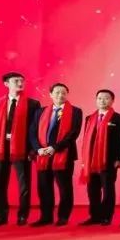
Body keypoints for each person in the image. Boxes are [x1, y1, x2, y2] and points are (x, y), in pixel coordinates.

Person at [0, 72, 41, 226]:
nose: (20, 83)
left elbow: (35, 129)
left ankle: (22, 216)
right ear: (6, 84)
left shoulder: (33, 104)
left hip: (22, 148)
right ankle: (1, 216)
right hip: (0, 147)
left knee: (24, 185)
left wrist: (33, 150)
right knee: (0, 184)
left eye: (22, 80)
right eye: (16, 81)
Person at [30, 83, 83, 226]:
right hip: (43, 155)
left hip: (63, 154)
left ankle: (63, 216)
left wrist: (55, 147)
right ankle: (46, 217)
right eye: (57, 92)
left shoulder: (76, 111)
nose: (60, 95)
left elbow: (73, 133)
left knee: (64, 187)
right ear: (51, 94)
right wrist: (38, 149)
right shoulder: (40, 111)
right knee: (44, 187)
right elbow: (32, 132)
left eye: (64, 92)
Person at [79, 89, 120, 226]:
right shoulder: (89, 118)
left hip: (109, 160)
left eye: (106, 98)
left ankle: (106, 216)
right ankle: (95, 216)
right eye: (99, 98)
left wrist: (119, 158)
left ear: (112, 101)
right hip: (91, 160)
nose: (102, 101)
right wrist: (84, 160)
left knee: (108, 189)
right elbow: (86, 140)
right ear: (96, 100)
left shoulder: (119, 118)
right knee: (92, 189)